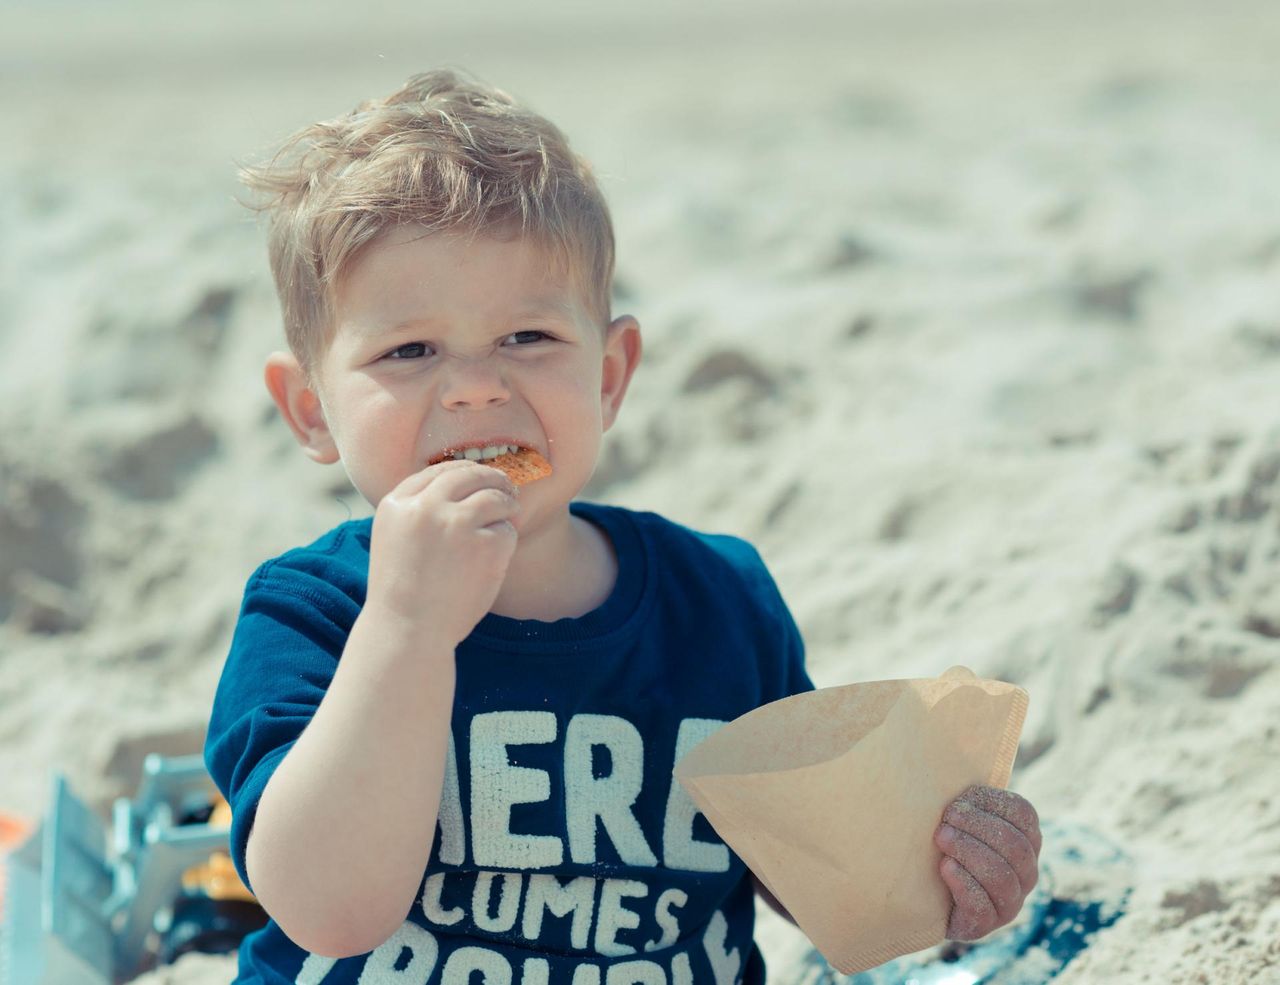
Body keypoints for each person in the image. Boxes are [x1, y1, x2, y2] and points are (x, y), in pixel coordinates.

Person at [203, 69, 1042, 985]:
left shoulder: (717, 601)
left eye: (529, 337)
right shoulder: (309, 615)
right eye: (409, 350)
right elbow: (332, 909)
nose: (478, 384)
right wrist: (407, 625)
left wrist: (944, 868)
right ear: (311, 409)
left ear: (608, 376)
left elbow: (809, 872)